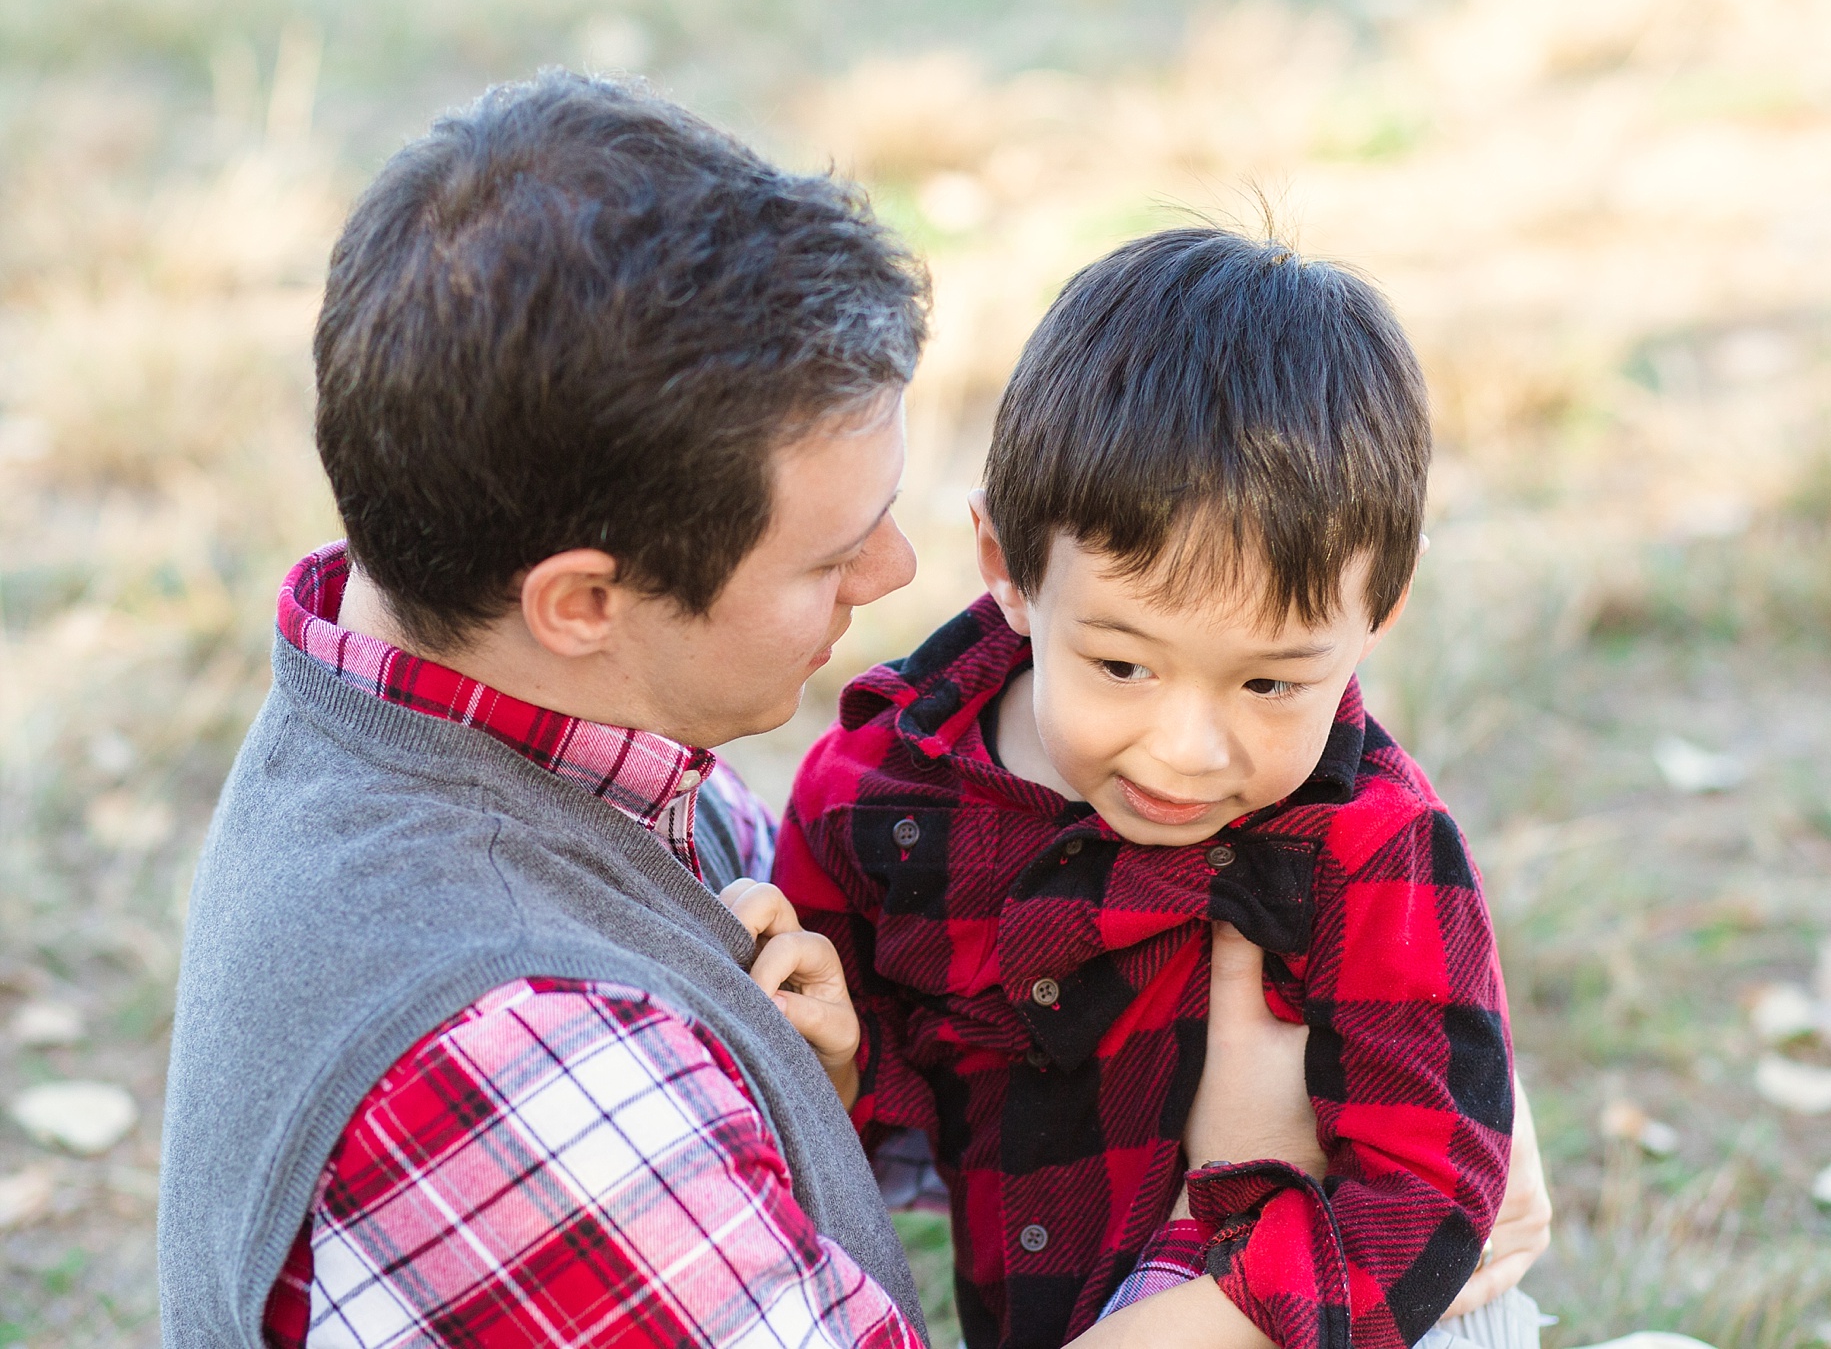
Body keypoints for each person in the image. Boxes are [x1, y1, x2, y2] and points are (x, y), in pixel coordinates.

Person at [156, 73, 1355, 1349]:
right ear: (581, 602)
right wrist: (1255, 1213)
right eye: (824, 554)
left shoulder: (445, 704)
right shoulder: (524, 1070)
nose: (894, 572)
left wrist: (819, 1092)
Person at [777, 227, 1538, 1349]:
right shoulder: (880, 796)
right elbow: (880, 1130)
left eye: (1271, 681)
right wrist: (840, 1056)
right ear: (1008, 569)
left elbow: (1427, 1201)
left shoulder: (1367, 844)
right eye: (1122, 665)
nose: (1186, 749)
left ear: (1380, 607)